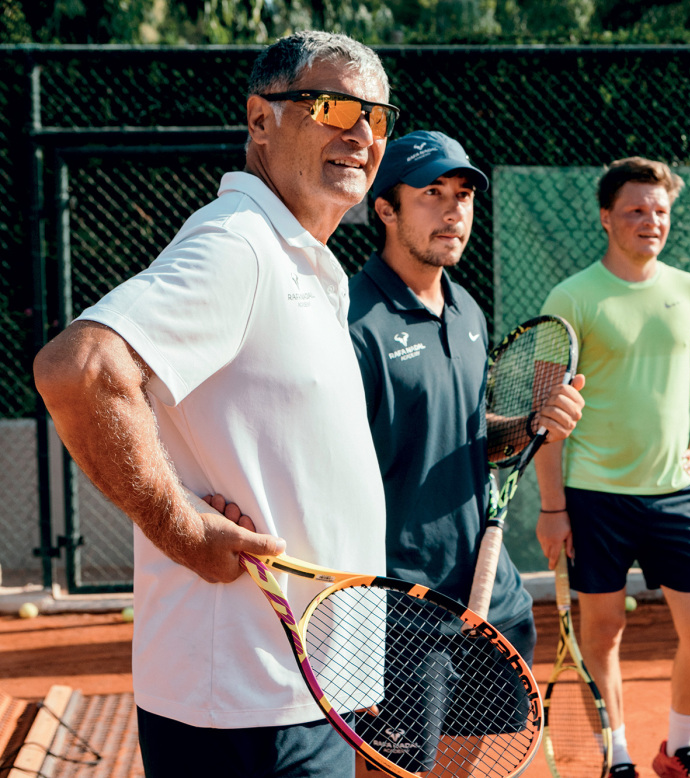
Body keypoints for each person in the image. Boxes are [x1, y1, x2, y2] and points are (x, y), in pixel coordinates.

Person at [32, 31, 396, 778]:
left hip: (299, 695)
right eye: (331, 106)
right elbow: (79, 370)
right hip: (246, 704)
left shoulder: (303, 260)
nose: (360, 132)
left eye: (377, 116)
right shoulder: (241, 247)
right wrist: (181, 528)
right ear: (260, 120)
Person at [346, 130, 585, 776]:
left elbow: (478, 438)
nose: (454, 211)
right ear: (385, 209)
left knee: (475, 761)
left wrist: (534, 424)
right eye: (432, 195)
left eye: (463, 196)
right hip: (401, 606)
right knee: (396, 771)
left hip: (490, 596)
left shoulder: (468, 311)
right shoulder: (350, 319)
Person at [533, 157, 690, 778]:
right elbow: (546, 407)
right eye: (636, 211)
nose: (651, 222)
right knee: (602, 632)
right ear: (606, 218)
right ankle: (616, 756)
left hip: (676, 494)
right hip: (594, 497)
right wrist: (552, 507)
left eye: (660, 211)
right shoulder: (572, 296)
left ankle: (679, 749)